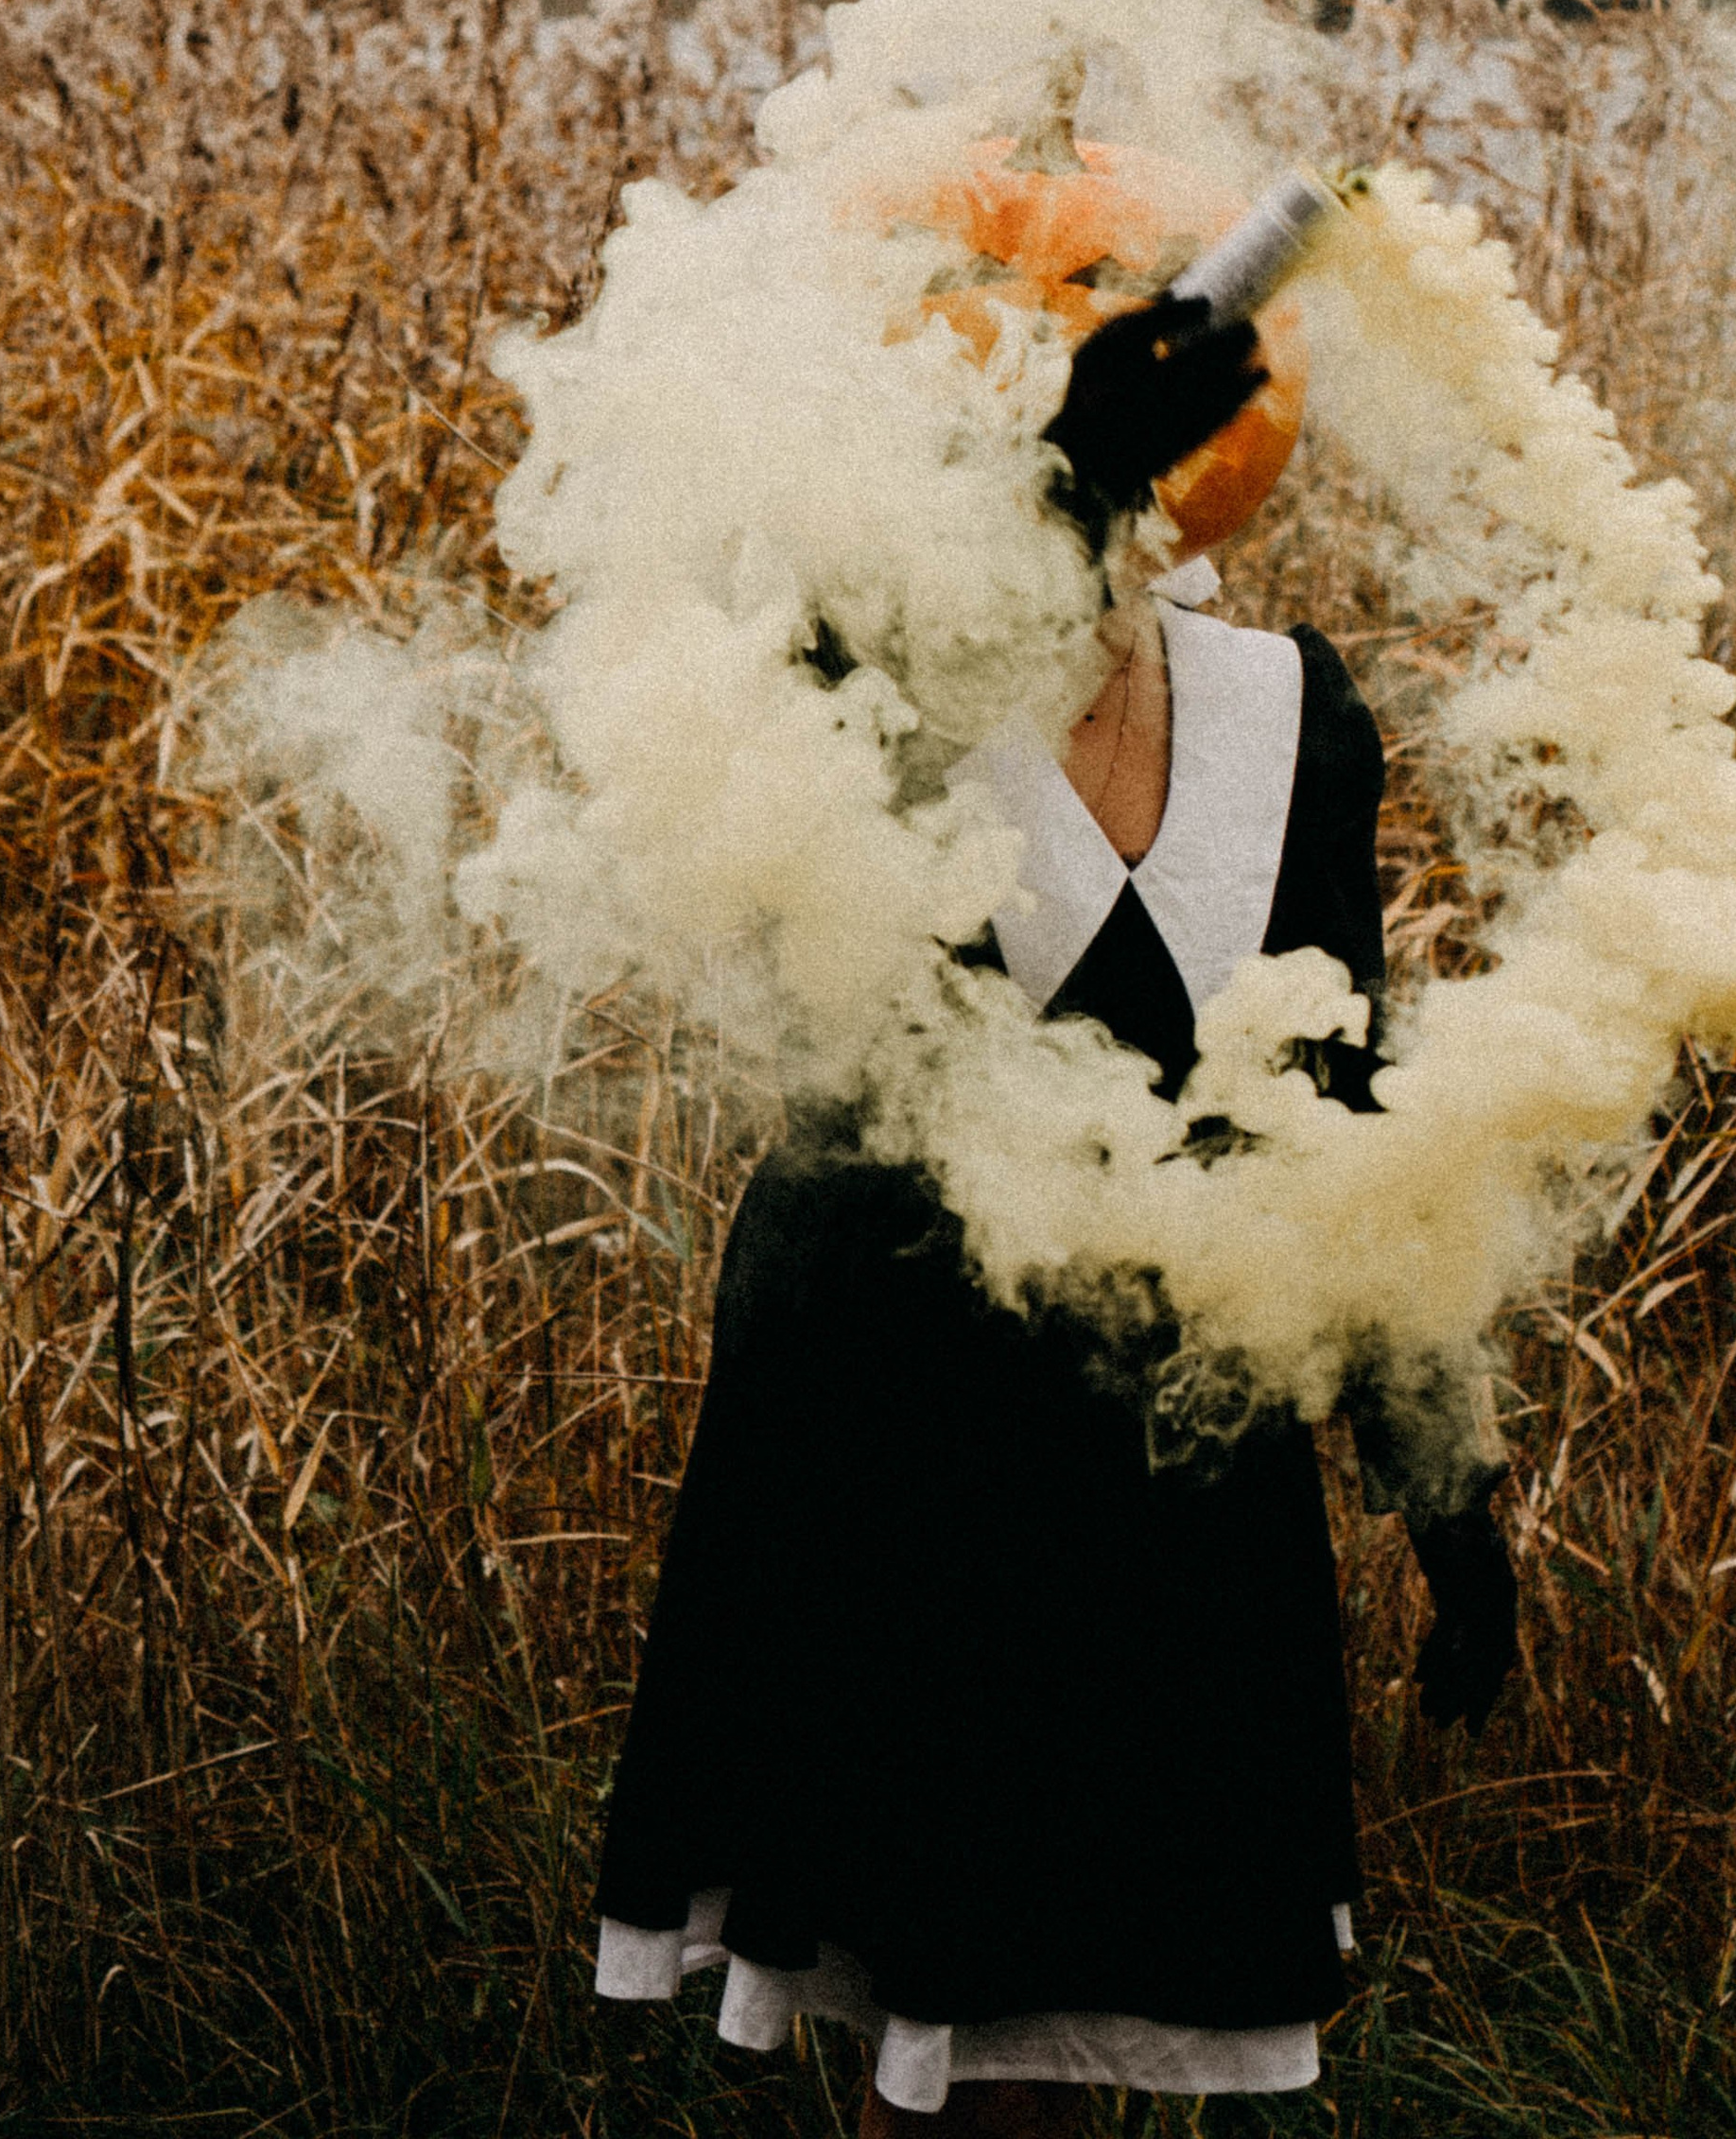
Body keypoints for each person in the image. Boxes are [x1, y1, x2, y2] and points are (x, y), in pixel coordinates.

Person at [594, 292, 1519, 2132]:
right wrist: (1049, 487)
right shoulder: (862, 681)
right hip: (903, 1440)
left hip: (1175, 1459)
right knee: (950, 2041)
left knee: (1070, 2043)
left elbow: (1342, 1118)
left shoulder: (1291, 712)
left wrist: (1444, 1490)